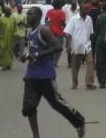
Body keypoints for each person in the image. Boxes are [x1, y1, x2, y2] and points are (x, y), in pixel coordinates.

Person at [21, 7, 85, 138]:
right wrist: (26, 55)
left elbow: (58, 47)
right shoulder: (29, 31)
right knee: (28, 107)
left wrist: (38, 55)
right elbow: (33, 49)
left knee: (56, 103)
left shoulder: (43, 30)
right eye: (27, 14)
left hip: (46, 75)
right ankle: (36, 135)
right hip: (32, 75)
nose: (27, 16)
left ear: (38, 16)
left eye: (30, 14)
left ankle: (79, 122)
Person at [64, 4, 96, 90]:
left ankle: (89, 83)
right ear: (80, 10)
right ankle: (75, 82)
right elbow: (68, 33)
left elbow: (91, 32)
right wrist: (68, 45)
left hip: (87, 45)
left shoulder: (89, 19)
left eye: (87, 9)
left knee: (90, 63)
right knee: (75, 65)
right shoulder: (74, 19)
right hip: (76, 46)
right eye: (85, 9)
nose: (87, 11)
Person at [95, 3, 106, 88]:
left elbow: (97, 30)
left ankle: (102, 81)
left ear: (102, 8)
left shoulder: (99, 17)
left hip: (101, 41)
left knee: (101, 62)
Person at [46, 0, 66, 66]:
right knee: (59, 48)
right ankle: (55, 62)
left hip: (51, 32)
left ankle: (51, 61)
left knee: (51, 48)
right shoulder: (62, 12)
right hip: (59, 33)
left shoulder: (49, 12)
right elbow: (63, 22)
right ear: (60, 5)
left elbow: (46, 20)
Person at [62, 0, 79, 67]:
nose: (74, 5)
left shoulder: (78, 10)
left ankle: (75, 62)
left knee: (76, 47)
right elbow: (64, 19)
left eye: (75, 4)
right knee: (69, 47)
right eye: (73, 3)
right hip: (69, 31)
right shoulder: (66, 9)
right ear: (71, 4)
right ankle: (69, 63)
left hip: (77, 30)